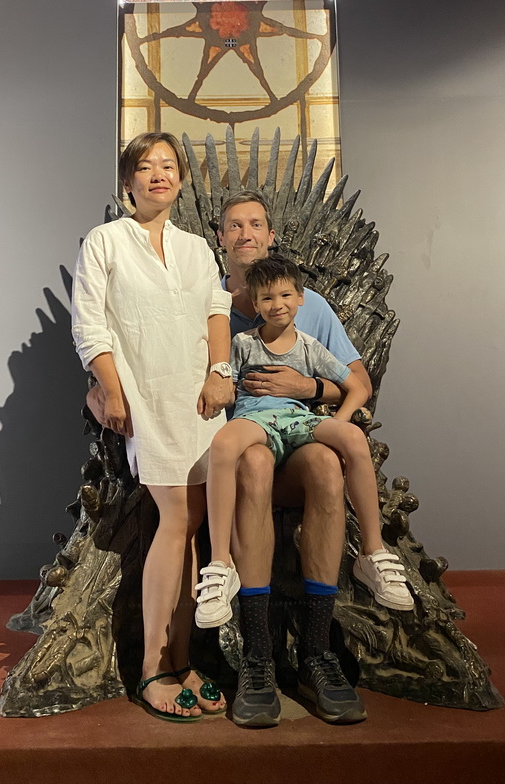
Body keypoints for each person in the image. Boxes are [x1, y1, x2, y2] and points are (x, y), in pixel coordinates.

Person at [71, 132, 234, 723]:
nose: (159, 174)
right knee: (178, 518)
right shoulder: (106, 241)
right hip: (147, 395)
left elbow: (217, 311)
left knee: (194, 528)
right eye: (146, 166)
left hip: (200, 401)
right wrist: (112, 390)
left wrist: (220, 374)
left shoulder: (195, 248)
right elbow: (90, 324)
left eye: (169, 165)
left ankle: (183, 657)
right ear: (128, 181)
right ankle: (152, 668)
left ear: (181, 179)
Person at [215, 190, 380, 727]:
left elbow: (355, 382)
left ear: (271, 236)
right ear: (220, 239)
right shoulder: (211, 305)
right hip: (245, 447)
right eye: (234, 226)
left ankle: (316, 650)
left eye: (256, 224)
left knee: (329, 469)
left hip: (300, 432)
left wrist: (308, 385)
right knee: (255, 465)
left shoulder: (308, 306)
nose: (245, 234)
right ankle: (258, 656)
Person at [195, 253, 412, 646]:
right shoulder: (242, 342)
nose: (276, 305)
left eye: (284, 296)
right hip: (256, 420)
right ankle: (221, 561)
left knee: (352, 441)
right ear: (254, 304)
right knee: (224, 444)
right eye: (266, 299)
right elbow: (223, 378)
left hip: (299, 421)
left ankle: (373, 553)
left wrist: (339, 422)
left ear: (300, 298)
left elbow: (358, 386)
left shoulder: (310, 347)